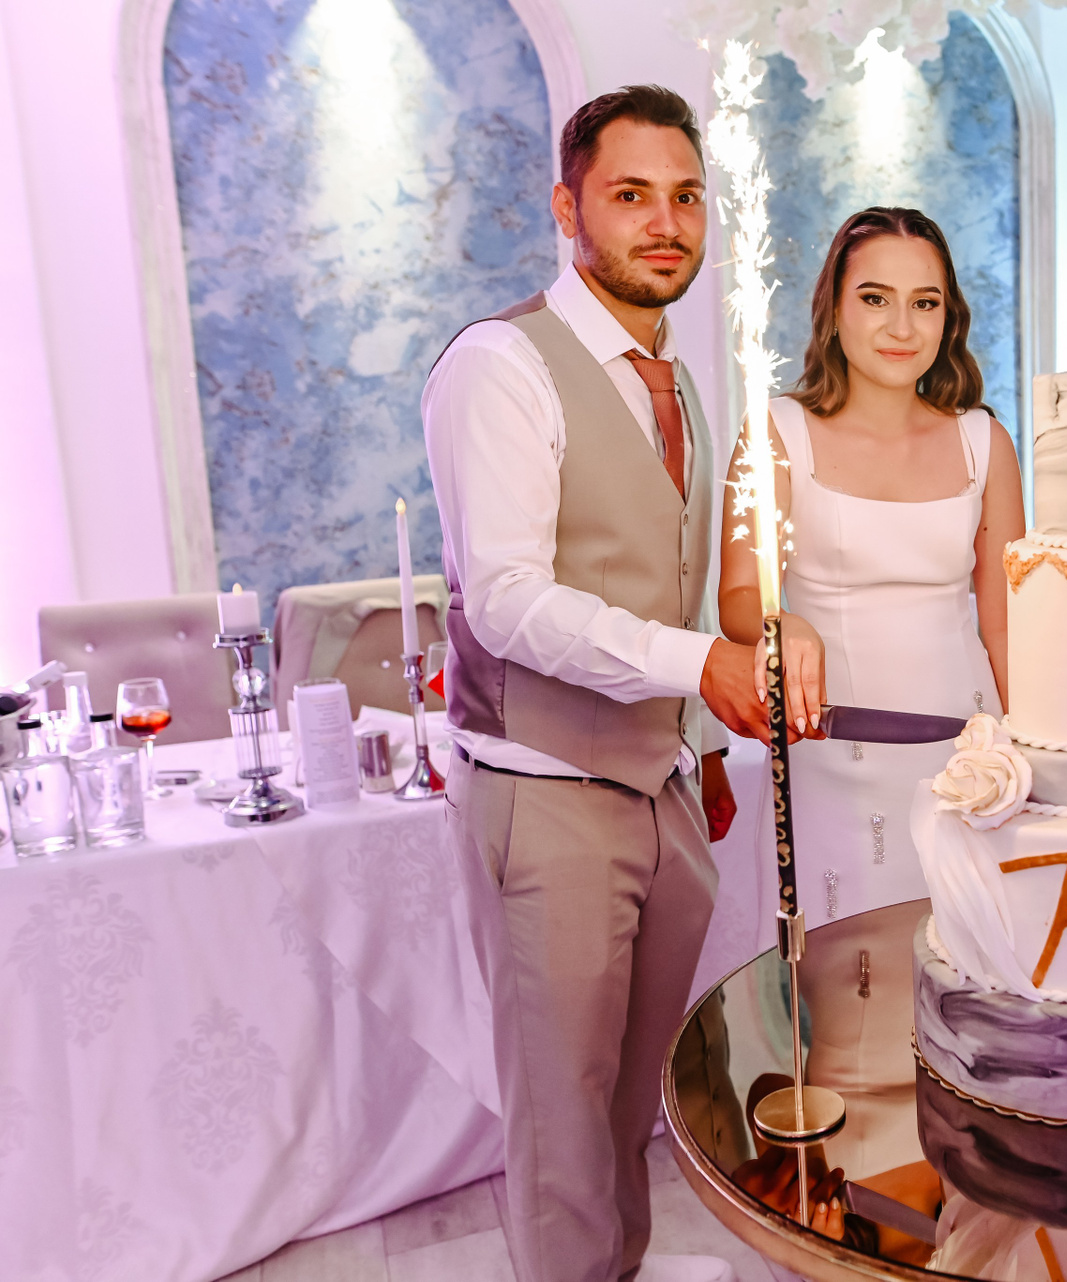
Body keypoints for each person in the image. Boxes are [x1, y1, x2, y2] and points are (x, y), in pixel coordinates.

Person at [425, 86, 812, 1282]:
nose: (665, 223)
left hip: (664, 791)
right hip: (546, 797)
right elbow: (507, 599)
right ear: (566, 206)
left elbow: (660, 583)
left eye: (685, 197)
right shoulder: (502, 366)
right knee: (560, 1133)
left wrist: (700, 742)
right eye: (631, 194)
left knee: (632, 1111)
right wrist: (703, 667)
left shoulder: (676, 378)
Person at [717, 208, 1024, 1181]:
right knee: (850, 1041)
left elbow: (1008, 621)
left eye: (924, 302)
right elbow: (735, 595)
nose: (901, 324)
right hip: (832, 777)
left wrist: (1037, 764)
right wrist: (783, 621)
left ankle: (956, 1218)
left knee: (968, 1029)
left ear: (949, 317)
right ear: (835, 310)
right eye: (877, 298)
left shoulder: (983, 442)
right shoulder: (777, 433)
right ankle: (846, 1220)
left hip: (964, 778)